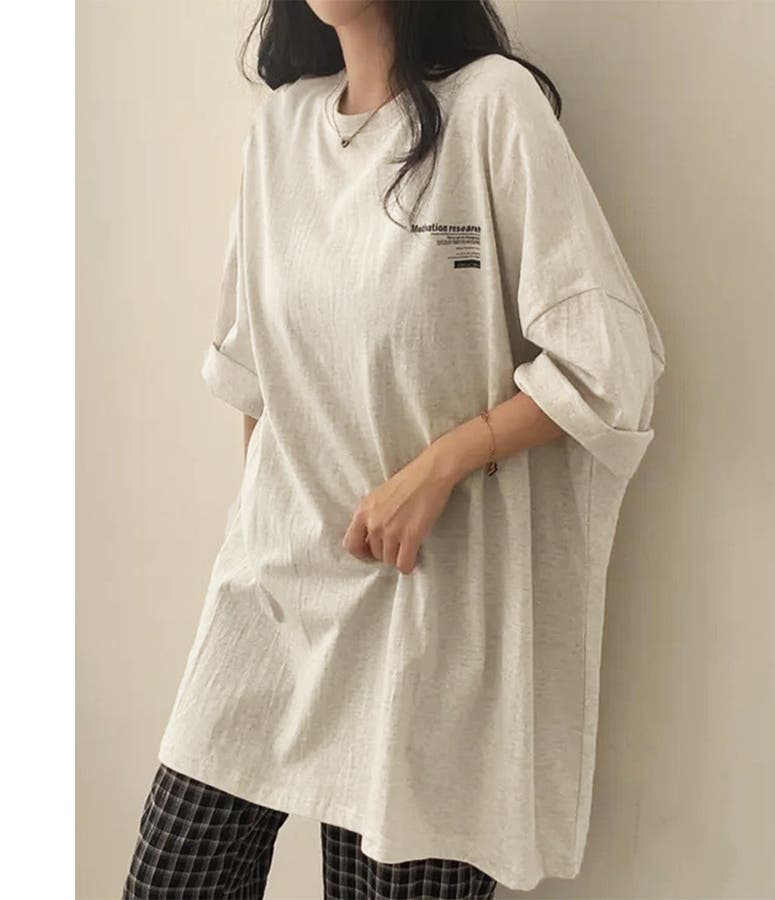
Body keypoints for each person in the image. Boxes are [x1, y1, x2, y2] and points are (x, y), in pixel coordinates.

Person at [121, 0, 667, 897]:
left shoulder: (491, 107)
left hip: (429, 615)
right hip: (276, 599)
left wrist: (440, 465)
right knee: (172, 875)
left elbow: (608, 361)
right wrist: (267, 529)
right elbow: (254, 372)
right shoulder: (282, 130)